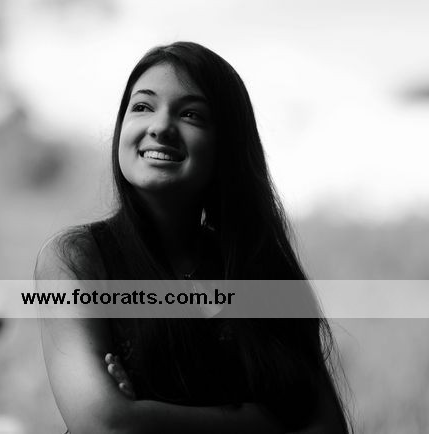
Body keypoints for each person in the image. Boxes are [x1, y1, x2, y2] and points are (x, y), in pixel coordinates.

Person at [35, 41, 350, 433]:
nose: (160, 127)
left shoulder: (259, 268)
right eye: (142, 106)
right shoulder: (77, 259)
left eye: (190, 115)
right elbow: (106, 423)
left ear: (227, 144)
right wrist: (265, 420)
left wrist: (149, 412)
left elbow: (325, 427)